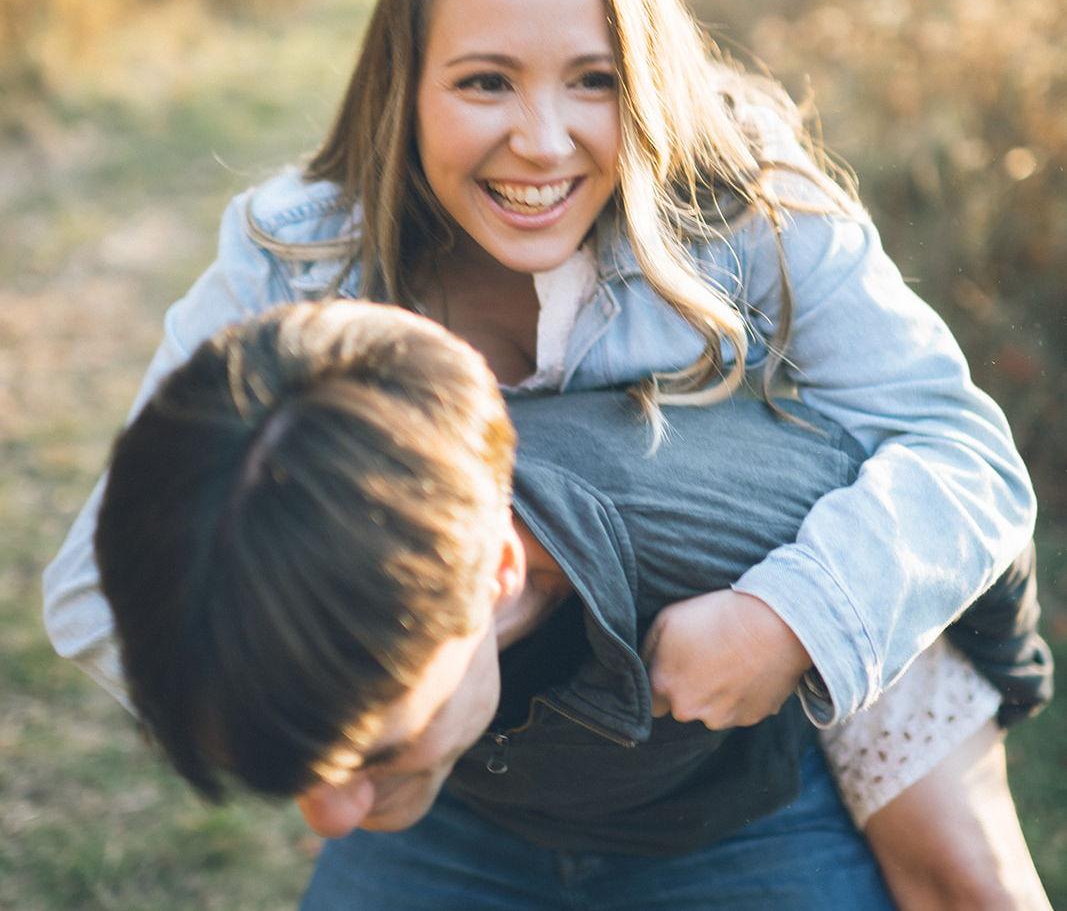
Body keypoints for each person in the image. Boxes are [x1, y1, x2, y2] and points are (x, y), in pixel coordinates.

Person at [43, 0, 1050, 907]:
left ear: (648, 79)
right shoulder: (299, 257)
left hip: (730, 786)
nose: (540, 139)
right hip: (464, 803)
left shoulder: (752, 211)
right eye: (484, 81)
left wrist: (786, 618)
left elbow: (963, 455)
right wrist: (356, 698)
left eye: (593, 80)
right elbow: (95, 584)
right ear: (405, 84)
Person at [92, 300, 1047, 910]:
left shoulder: (733, 526)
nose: (328, 817)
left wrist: (807, 626)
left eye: (374, 751)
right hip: (469, 811)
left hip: (731, 817)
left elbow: (974, 533)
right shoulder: (231, 559)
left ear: (498, 570)